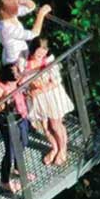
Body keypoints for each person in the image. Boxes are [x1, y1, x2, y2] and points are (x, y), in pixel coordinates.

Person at [23, 38, 74, 166]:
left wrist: (39, 89)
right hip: (39, 100)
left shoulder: (49, 61)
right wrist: (30, 90)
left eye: (43, 54)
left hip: (52, 97)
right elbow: (22, 82)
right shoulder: (25, 63)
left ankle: (63, 150)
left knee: (55, 124)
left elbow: (56, 81)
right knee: (45, 127)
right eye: (38, 54)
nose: (40, 56)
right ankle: (55, 147)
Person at [0, 63, 31, 194]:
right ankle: (4, 181)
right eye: (14, 79)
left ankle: (18, 168)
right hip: (7, 121)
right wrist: (3, 99)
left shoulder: (16, 78)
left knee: (24, 141)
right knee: (10, 152)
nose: (17, 80)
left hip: (20, 114)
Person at [0, 0, 51, 66]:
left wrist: (26, 0)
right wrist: (41, 14)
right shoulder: (7, 28)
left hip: (15, 53)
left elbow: (31, 7)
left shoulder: (5, 14)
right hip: (16, 62)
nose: (19, 5)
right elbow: (34, 34)